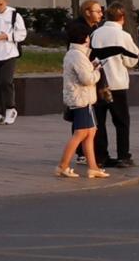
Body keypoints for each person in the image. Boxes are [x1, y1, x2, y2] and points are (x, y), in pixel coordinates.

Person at [56, 20, 108, 179]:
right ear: (85, 38)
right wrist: (97, 71)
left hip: (81, 98)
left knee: (90, 132)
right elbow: (86, 79)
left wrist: (91, 66)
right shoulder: (77, 55)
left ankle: (92, 167)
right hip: (81, 99)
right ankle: (63, 165)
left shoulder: (74, 54)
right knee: (81, 133)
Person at [90, 4, 139, 169]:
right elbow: (132, 60)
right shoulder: (123, 36)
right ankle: (123, 156)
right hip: (117, 84)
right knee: (121, 121)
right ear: (122, 17)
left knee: (99, 122)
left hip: (98, 84)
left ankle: (101, 156)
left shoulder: (95, 33)